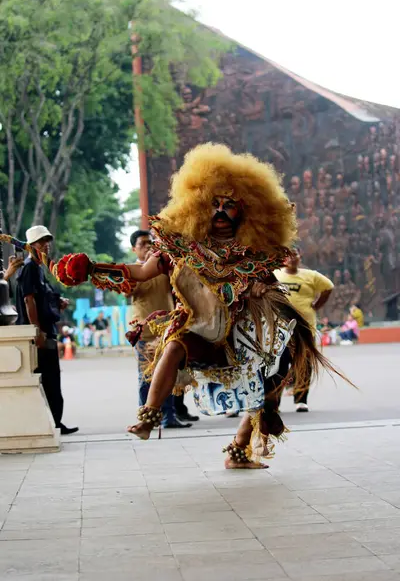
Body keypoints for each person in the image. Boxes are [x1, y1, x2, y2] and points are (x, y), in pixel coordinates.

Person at [15, 145, 350, 469]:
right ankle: (149, 416)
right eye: (214, 203)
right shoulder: (178, 247)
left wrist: (262, 290)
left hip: (240, 339)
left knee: (263, 390)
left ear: (246, 210)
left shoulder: (254, 255)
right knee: (174, 346)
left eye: (230, 204)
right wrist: (91, 269)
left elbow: (271, 294)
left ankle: (238, 450)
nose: (220, 211)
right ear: (199, 204)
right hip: (198, 331)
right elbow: (140, 272)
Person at [15, 226, 78, 435]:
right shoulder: (29, 268)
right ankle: (51, 423)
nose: (46, 246)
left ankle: (55, 422)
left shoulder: (38, 268)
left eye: (47, 241)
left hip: (47, 331)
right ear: (31, 246)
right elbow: (28, 300)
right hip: (40, 335)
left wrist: (57, 301)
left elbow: (41, 298)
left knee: (52, 379)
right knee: (48, 379)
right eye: (42, 242)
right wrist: (37, 331)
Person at [129, 229, 193, 429]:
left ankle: (168, 417)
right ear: (134, 249)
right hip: (144, 331)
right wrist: (144, 268)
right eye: (142, 244)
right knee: (146, 376)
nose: (148, 246)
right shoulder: (135, 271)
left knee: (167, 373)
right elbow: (127, 292)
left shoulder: (163, 268)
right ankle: (145, 418)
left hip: (167, 329)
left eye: (150, 242)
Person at [275, 248, 334, 412]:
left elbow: (329, 287)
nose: (292, 258)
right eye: (289, 255)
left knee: (303, 364)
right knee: (278, 366)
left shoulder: (311, 275)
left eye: (295, 255)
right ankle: (275, 403)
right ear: (283, 258)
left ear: (300, 258)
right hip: (280, 329)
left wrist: (318, 304)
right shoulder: (275, 275)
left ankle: (301, 400)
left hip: (305, 328)